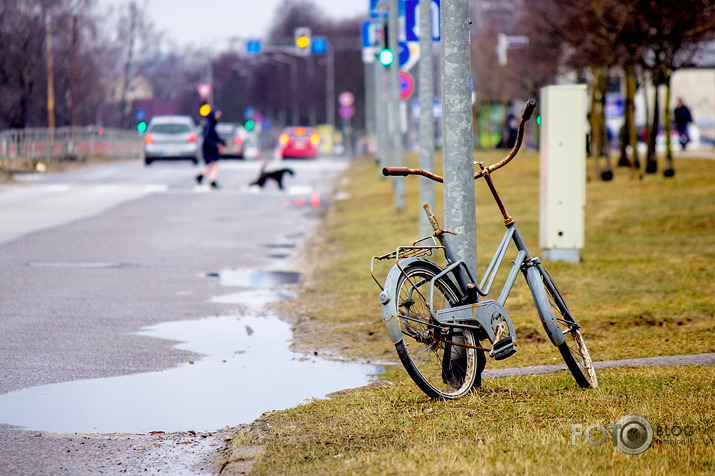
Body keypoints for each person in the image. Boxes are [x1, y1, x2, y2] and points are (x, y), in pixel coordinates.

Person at [196, 110, 225, 189]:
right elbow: (207, 137)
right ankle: (212, 181)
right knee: (214, 164)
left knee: (212, 164)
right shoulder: (209, 125)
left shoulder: (211, 124)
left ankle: (202, 176)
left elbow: (214, 136)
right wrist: (215, 144)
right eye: (217, 115)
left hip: (210, 147)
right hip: (209, 148)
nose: (218, 117)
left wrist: (221, 141)